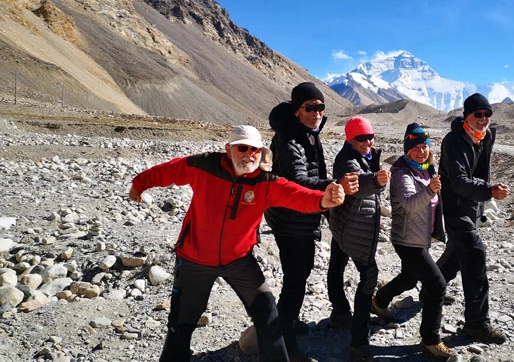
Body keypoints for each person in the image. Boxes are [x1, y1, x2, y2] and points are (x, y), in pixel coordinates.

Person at [128, 125, 345, 362]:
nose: (249, 155)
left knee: (267, 311)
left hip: (238, 259)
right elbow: (169, 170)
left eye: (255, 150)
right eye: (243, 148)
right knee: (181, 323)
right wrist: (139, 184)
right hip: (194, 259)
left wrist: (323, 200)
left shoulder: (265, 182)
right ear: (228, 149)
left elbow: (295, 195)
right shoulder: (204, 166)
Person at [265, 82, 359, 361]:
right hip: (290, 219)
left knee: (299, 273)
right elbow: (296, 180)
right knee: (295, 278)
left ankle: (287, 325)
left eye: (320, 107)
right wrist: (333, 184)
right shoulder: (290, 137)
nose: (316, 112)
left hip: (298, 216)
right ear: (297, 111)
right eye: (310, 108)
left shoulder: (306, 132)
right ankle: (285, 345)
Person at [372, 123, 456, 360]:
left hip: (419, 237)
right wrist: (430, 190)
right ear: (407, 149)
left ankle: (379, 301)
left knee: (411, 277)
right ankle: (431, 340)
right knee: (437, 284)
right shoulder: (401, 173)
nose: (421, 151)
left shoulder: (427, 168)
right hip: (407, 239)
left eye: (425, 146)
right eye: (416, 147)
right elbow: (409, 205)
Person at [434, 93, 510, 344]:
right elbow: (457, 180)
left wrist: (484, 196)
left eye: (487, 114)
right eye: (478, 114)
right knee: (475, 254)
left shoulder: (485, 137)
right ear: (466, 116)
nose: (483, 119)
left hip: (471, 205)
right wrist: (488, 190)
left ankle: (431, 290)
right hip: (454, 206)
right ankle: (477, 324)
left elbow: (480, 171)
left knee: (457, 253)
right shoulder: (453, 140)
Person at [327, 116, 390, 362]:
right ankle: (358, 341)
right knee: (368, 277)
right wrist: (374, 179)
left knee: (336, 265)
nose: (368, 141)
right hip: (354, 229)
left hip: (343, 223)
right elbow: (356, 182)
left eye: (370, 136)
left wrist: (373, 167)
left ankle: (340, 312)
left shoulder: (364, 155)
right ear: (350, 139)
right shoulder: (347, 160)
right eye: (361, 138)